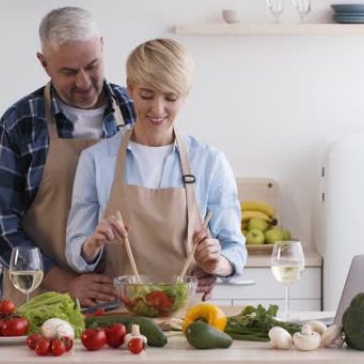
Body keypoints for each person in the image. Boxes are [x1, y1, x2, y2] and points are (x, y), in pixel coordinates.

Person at [65, 38, 246, 300]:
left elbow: (235, 249)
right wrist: (92, 244)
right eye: (146, 95)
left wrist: (216, 263)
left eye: (171, 97)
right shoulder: (95, 160)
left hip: (188, 319)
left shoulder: (210, 162)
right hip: (117, 318)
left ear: (186, 95)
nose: (157, 109)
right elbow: (75, 253)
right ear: (130, 89)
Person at [0, 7, 135, 306]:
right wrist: (67, 284)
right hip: (39, 299)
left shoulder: (134, 110)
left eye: (92, 65)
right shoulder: (21, 122)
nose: (83, 82)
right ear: (44, 63)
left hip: (119, 299)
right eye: (68, 72)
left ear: (102, 46)